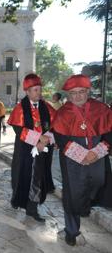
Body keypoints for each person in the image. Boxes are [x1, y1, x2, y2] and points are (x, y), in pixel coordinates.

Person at [51, 74, 112, 246]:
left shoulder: (102, 109)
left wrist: (97, 152)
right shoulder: (63, 113)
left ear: (88, 91)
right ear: (69, 95)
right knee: (72, 193)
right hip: (72, 160)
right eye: (73, 93)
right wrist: (82, 155)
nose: (77, 96)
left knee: (98, 185)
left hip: (98, 157)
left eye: (81, 92)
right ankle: (71, 230)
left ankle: (88, 206)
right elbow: (60, 138)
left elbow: (109, 134)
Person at [7, 74, 56, 222]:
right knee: (21, 176)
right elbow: (18, 130)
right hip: (24, 152)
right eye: (35, 90)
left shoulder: (47, 107)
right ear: (27, 91)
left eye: (40, 89)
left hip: (43, 151)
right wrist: (38, 138)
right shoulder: (20, 108)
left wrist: (45, 141)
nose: (39, 93)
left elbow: (54, 126)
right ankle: (17, 199)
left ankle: (32, 208)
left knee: (38, 179)